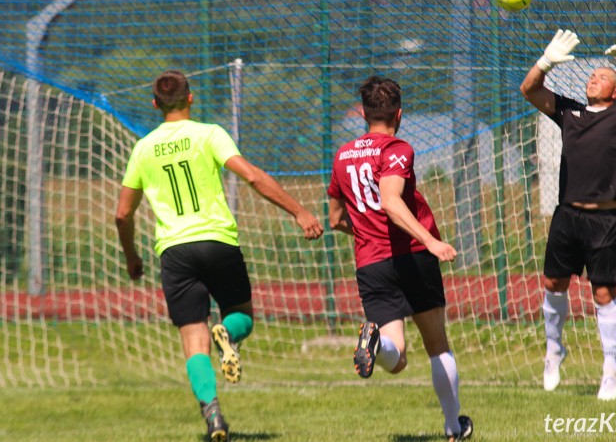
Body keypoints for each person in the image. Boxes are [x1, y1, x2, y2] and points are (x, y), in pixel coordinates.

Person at [116, 69, 323, 442]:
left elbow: (122, 213)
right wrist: (299, 211)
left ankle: (213, 414)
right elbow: (253, 177)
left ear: (155, 104)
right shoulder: (209, 133)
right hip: (217, 243)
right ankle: (227, 333)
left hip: (175, 252)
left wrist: (132, 256)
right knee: (242, 315)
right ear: (190, 98)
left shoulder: (143, 148)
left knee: (194, 341)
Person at [519, 29, 616, 400]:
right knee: (554, 285)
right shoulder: (569, 111)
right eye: (592, 75)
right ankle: (554, 352)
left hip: (605, 221)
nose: (593, 78)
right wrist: (545, 62)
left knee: (603, 293)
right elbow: (530, 90)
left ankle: (611, 370)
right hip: (566, 217)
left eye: (603, 77)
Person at [327, 75, 473, 442]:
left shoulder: (342, 155)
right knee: (436, 345)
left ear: (363, 113)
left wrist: (364, 230)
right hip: (413, 255)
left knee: (398, 359)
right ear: (400, 114)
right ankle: (454, 428)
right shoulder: (397, 148)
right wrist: (431, 241)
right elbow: (391, 201)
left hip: (370, 264)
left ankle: (377, 342)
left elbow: (334, 219)